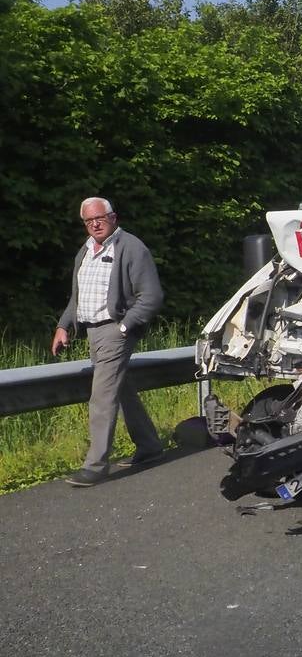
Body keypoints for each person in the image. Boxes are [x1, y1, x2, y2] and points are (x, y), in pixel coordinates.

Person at [51, 198, 165, 487]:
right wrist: (64, 326)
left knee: (101, 398)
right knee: (121, 391)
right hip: (92, 332)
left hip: (116, 331)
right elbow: (78, 297)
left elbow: (151, 297)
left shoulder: (131, 248)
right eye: (89, 221)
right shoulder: (85, 251)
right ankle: (150, 446)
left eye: (100, 218)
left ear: (113, 217)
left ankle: (95, 465)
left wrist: (125, 326)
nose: (95, 224)